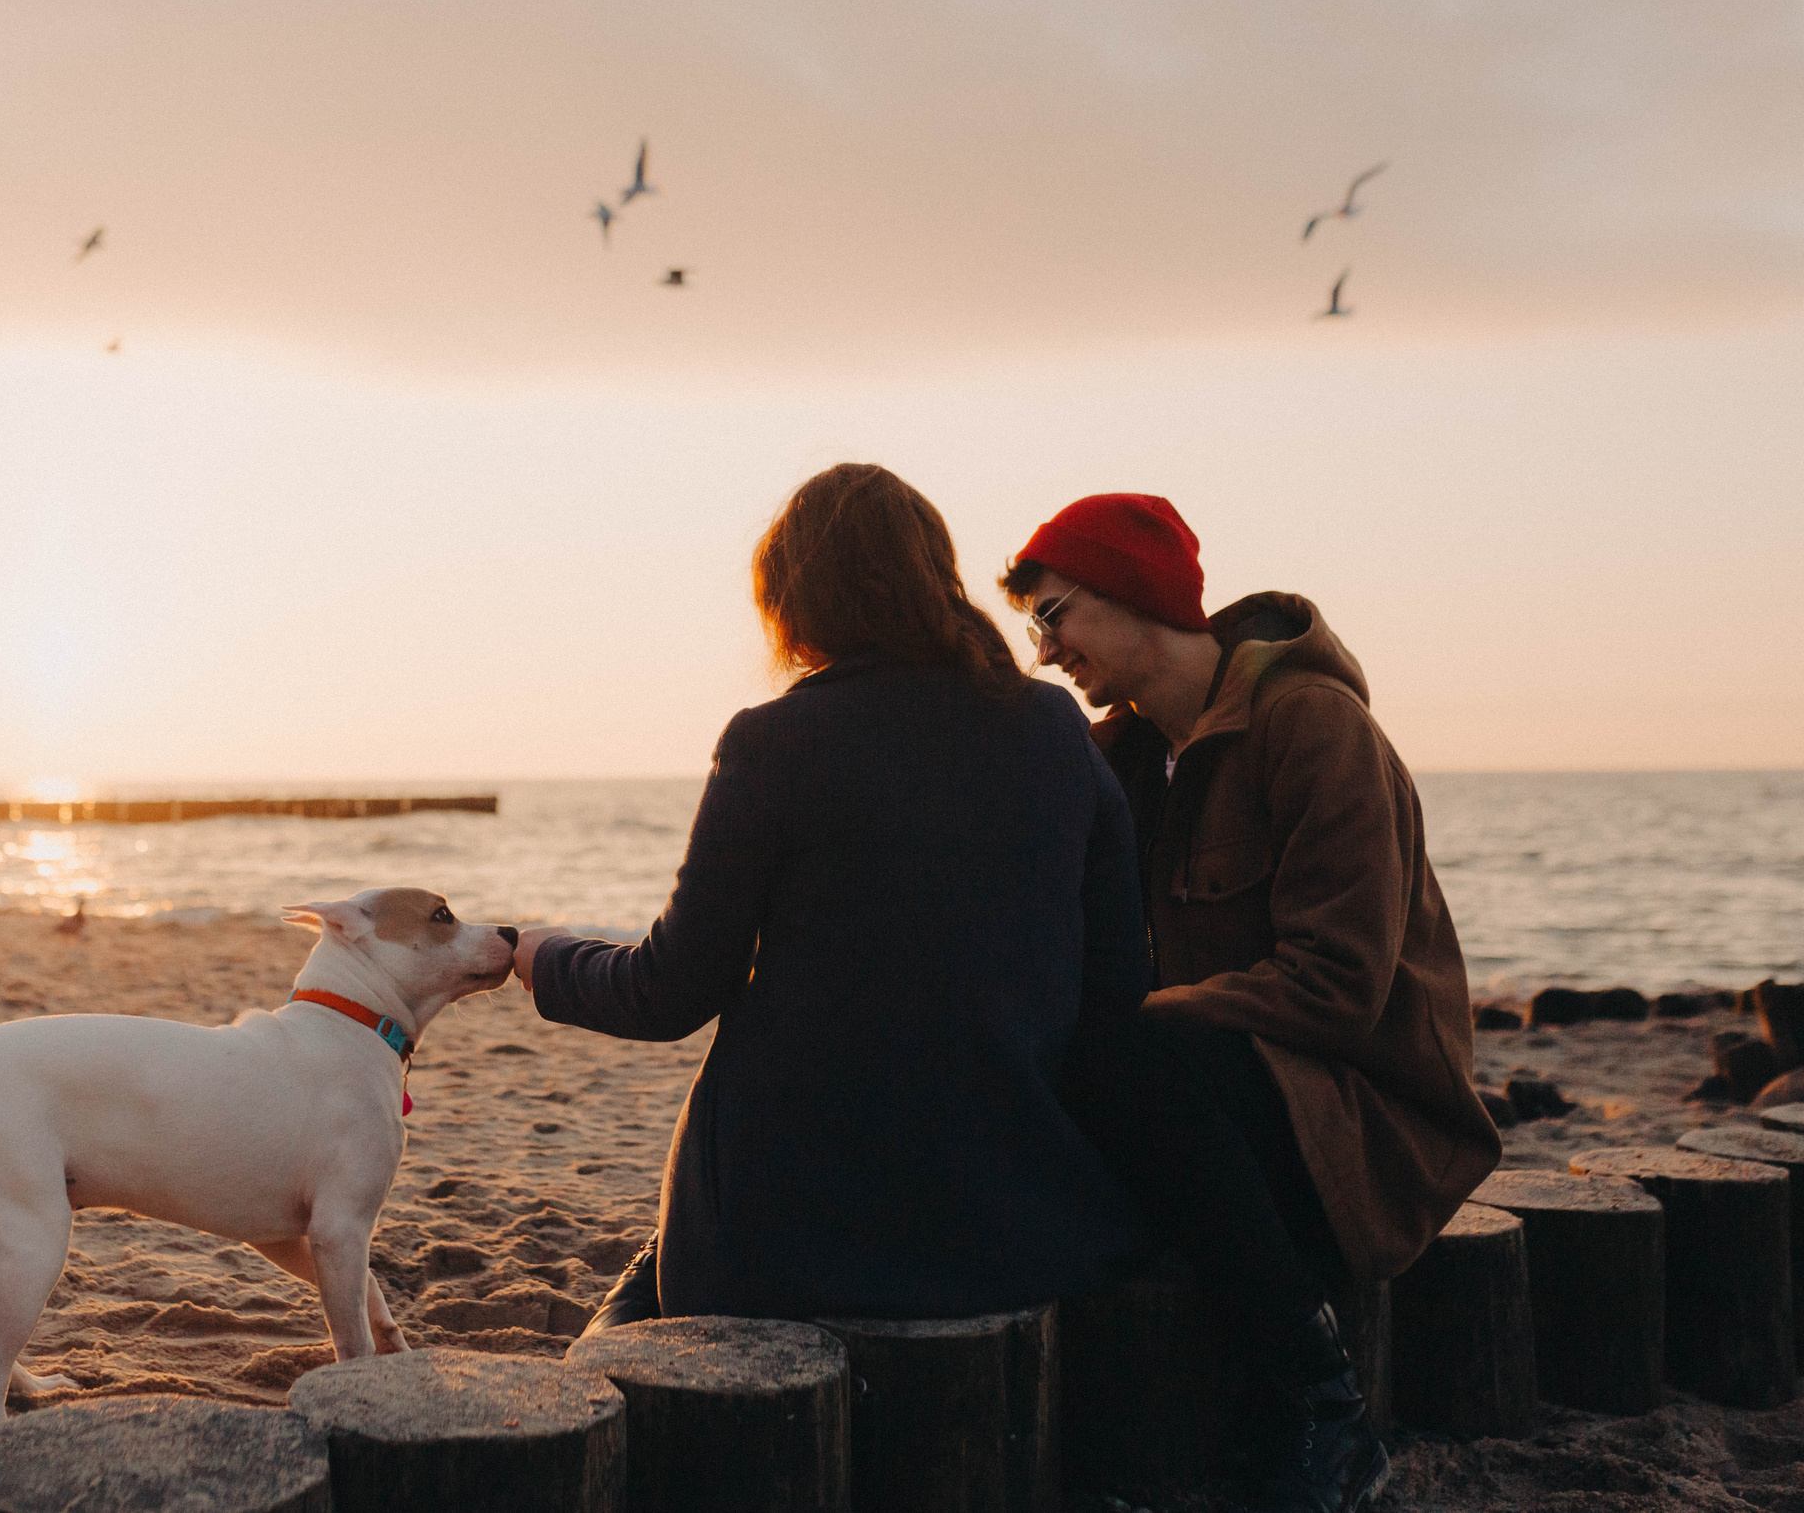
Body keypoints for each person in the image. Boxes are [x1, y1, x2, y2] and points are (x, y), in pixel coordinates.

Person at [508, 462, 1147, 1324]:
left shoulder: (774, 740)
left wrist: (547, 958)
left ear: (795, 603)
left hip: (790, 1239)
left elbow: (670, 991)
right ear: (936, 577)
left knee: (629, 1311)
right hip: (1004, 1227)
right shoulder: (1054, 727)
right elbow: (1115, 985)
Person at [1001, 492, 1501, 1513]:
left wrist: (1144, 1022)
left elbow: (1340, 985)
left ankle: (1326, 1407)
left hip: (1363, 1123)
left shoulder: (1313, 727)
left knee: (1123, 1057)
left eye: (1052, 614)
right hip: (1215, 1108)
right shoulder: (1121, 759)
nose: (1043, 652)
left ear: (1134, 591)